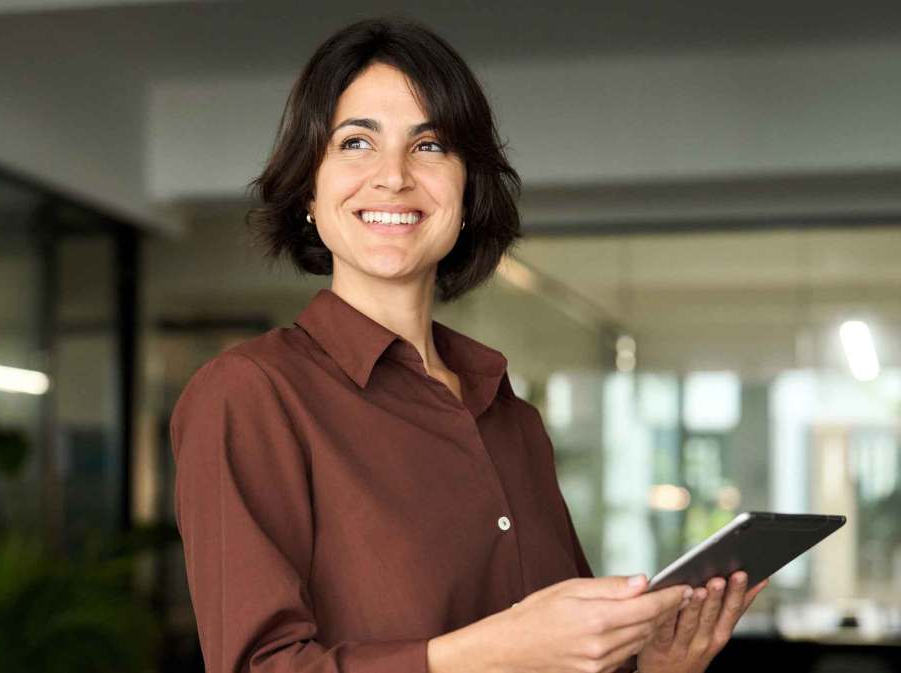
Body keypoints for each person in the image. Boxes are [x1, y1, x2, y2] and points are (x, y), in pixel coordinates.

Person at [169, 17, 767, 673]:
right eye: (355, 142)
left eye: (429, 146)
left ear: (466, 189)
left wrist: (656, 666)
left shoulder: (514, 419)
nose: (393, 176)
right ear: (309, 189)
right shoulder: (251, 394)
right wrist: (493, 649)